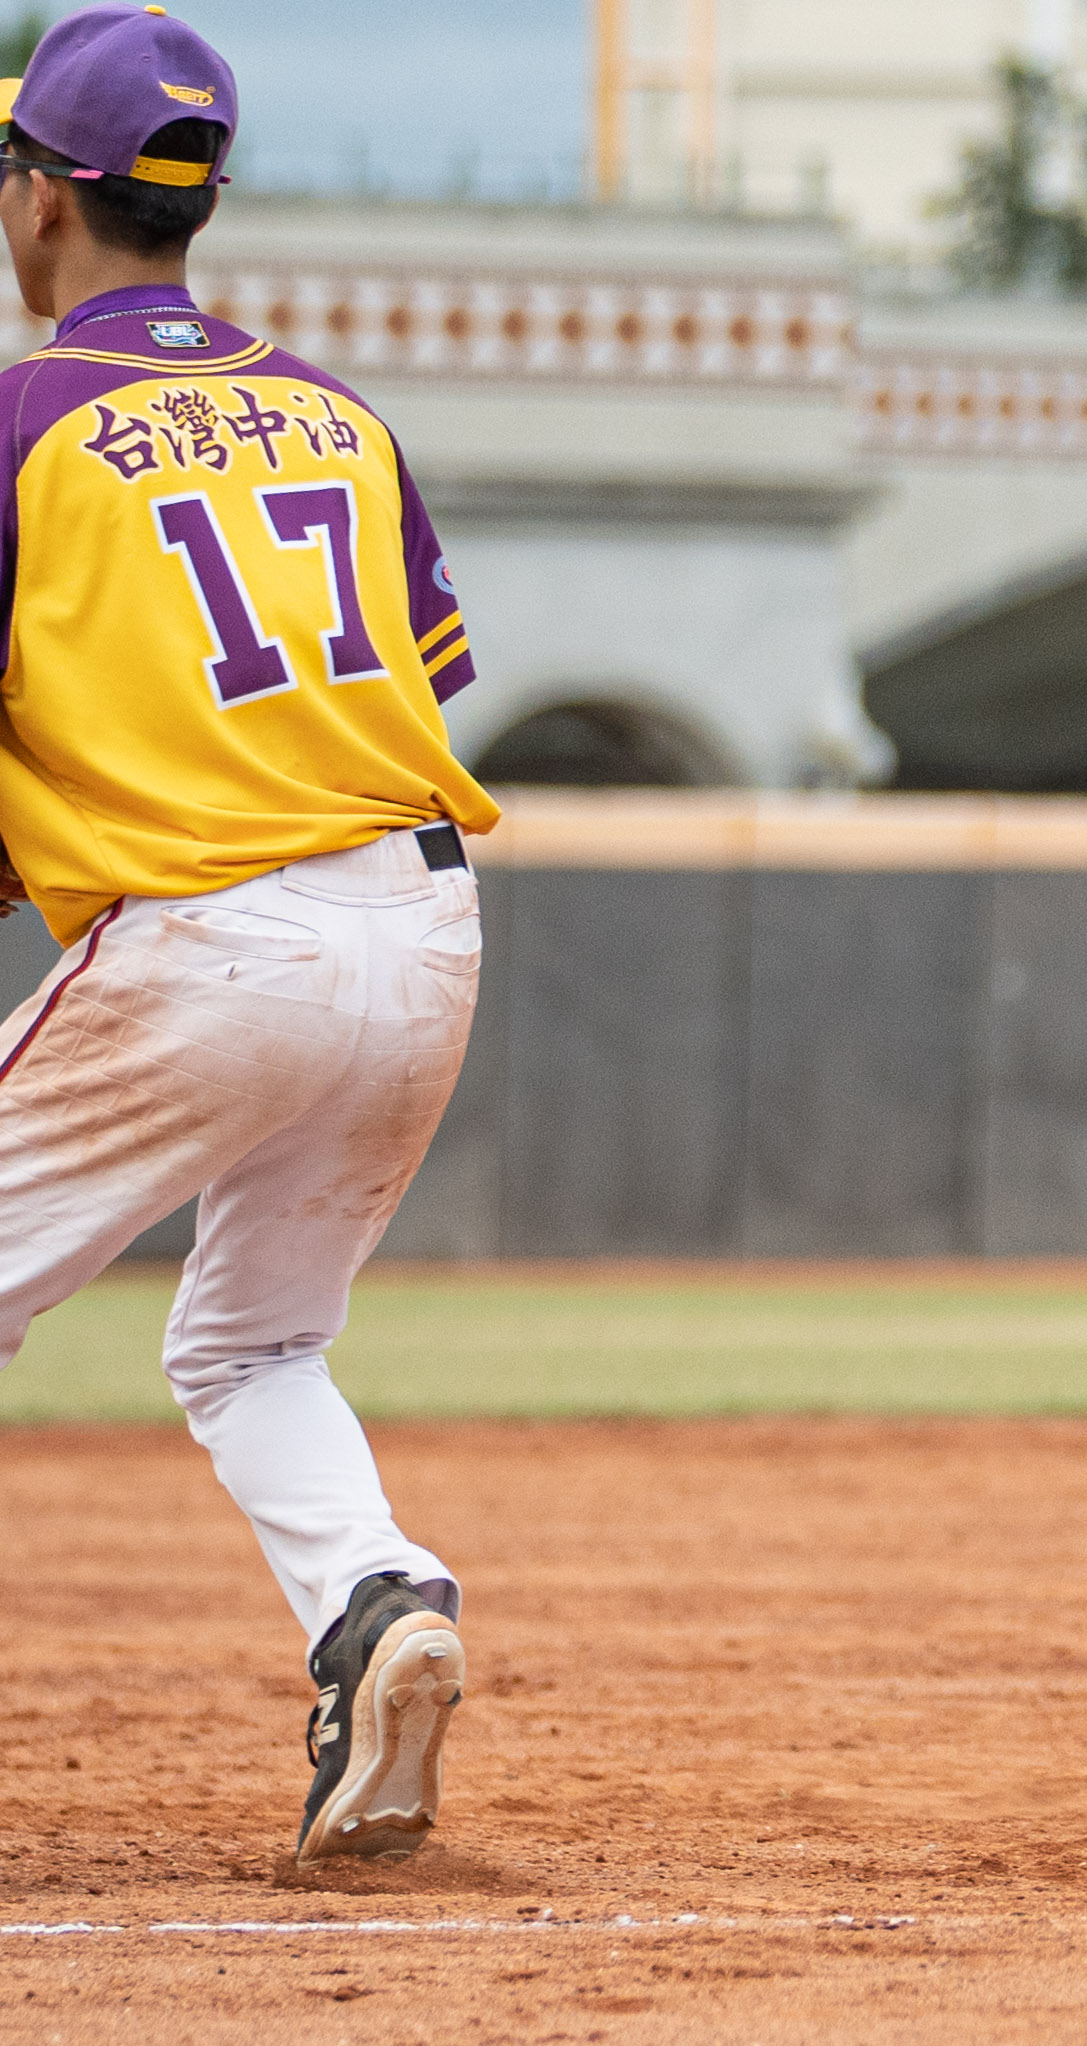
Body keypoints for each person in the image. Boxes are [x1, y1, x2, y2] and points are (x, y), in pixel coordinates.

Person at [0, 5, 497, 1864]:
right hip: (421, 933)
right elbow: (408, 680)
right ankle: (379, 1605)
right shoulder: (340, 417)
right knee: (250, 1346)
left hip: (211, 945)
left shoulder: (26, 418)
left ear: (47, 203)